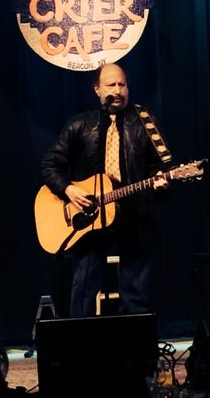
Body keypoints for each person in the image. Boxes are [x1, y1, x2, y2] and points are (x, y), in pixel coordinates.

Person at [41, 62, 169, 318]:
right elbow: (49, 165)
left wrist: (161, 183)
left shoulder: (145, 121)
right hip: (91, 218)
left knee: (136, 293)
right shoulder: (79, 125)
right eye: (111, 85)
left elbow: (162, 167)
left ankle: (136, 351)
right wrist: (69, 190)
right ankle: (81, 350)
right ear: (97, 89)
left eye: (122, 84)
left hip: (134, 215)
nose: (118, 90)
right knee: (85, 288)